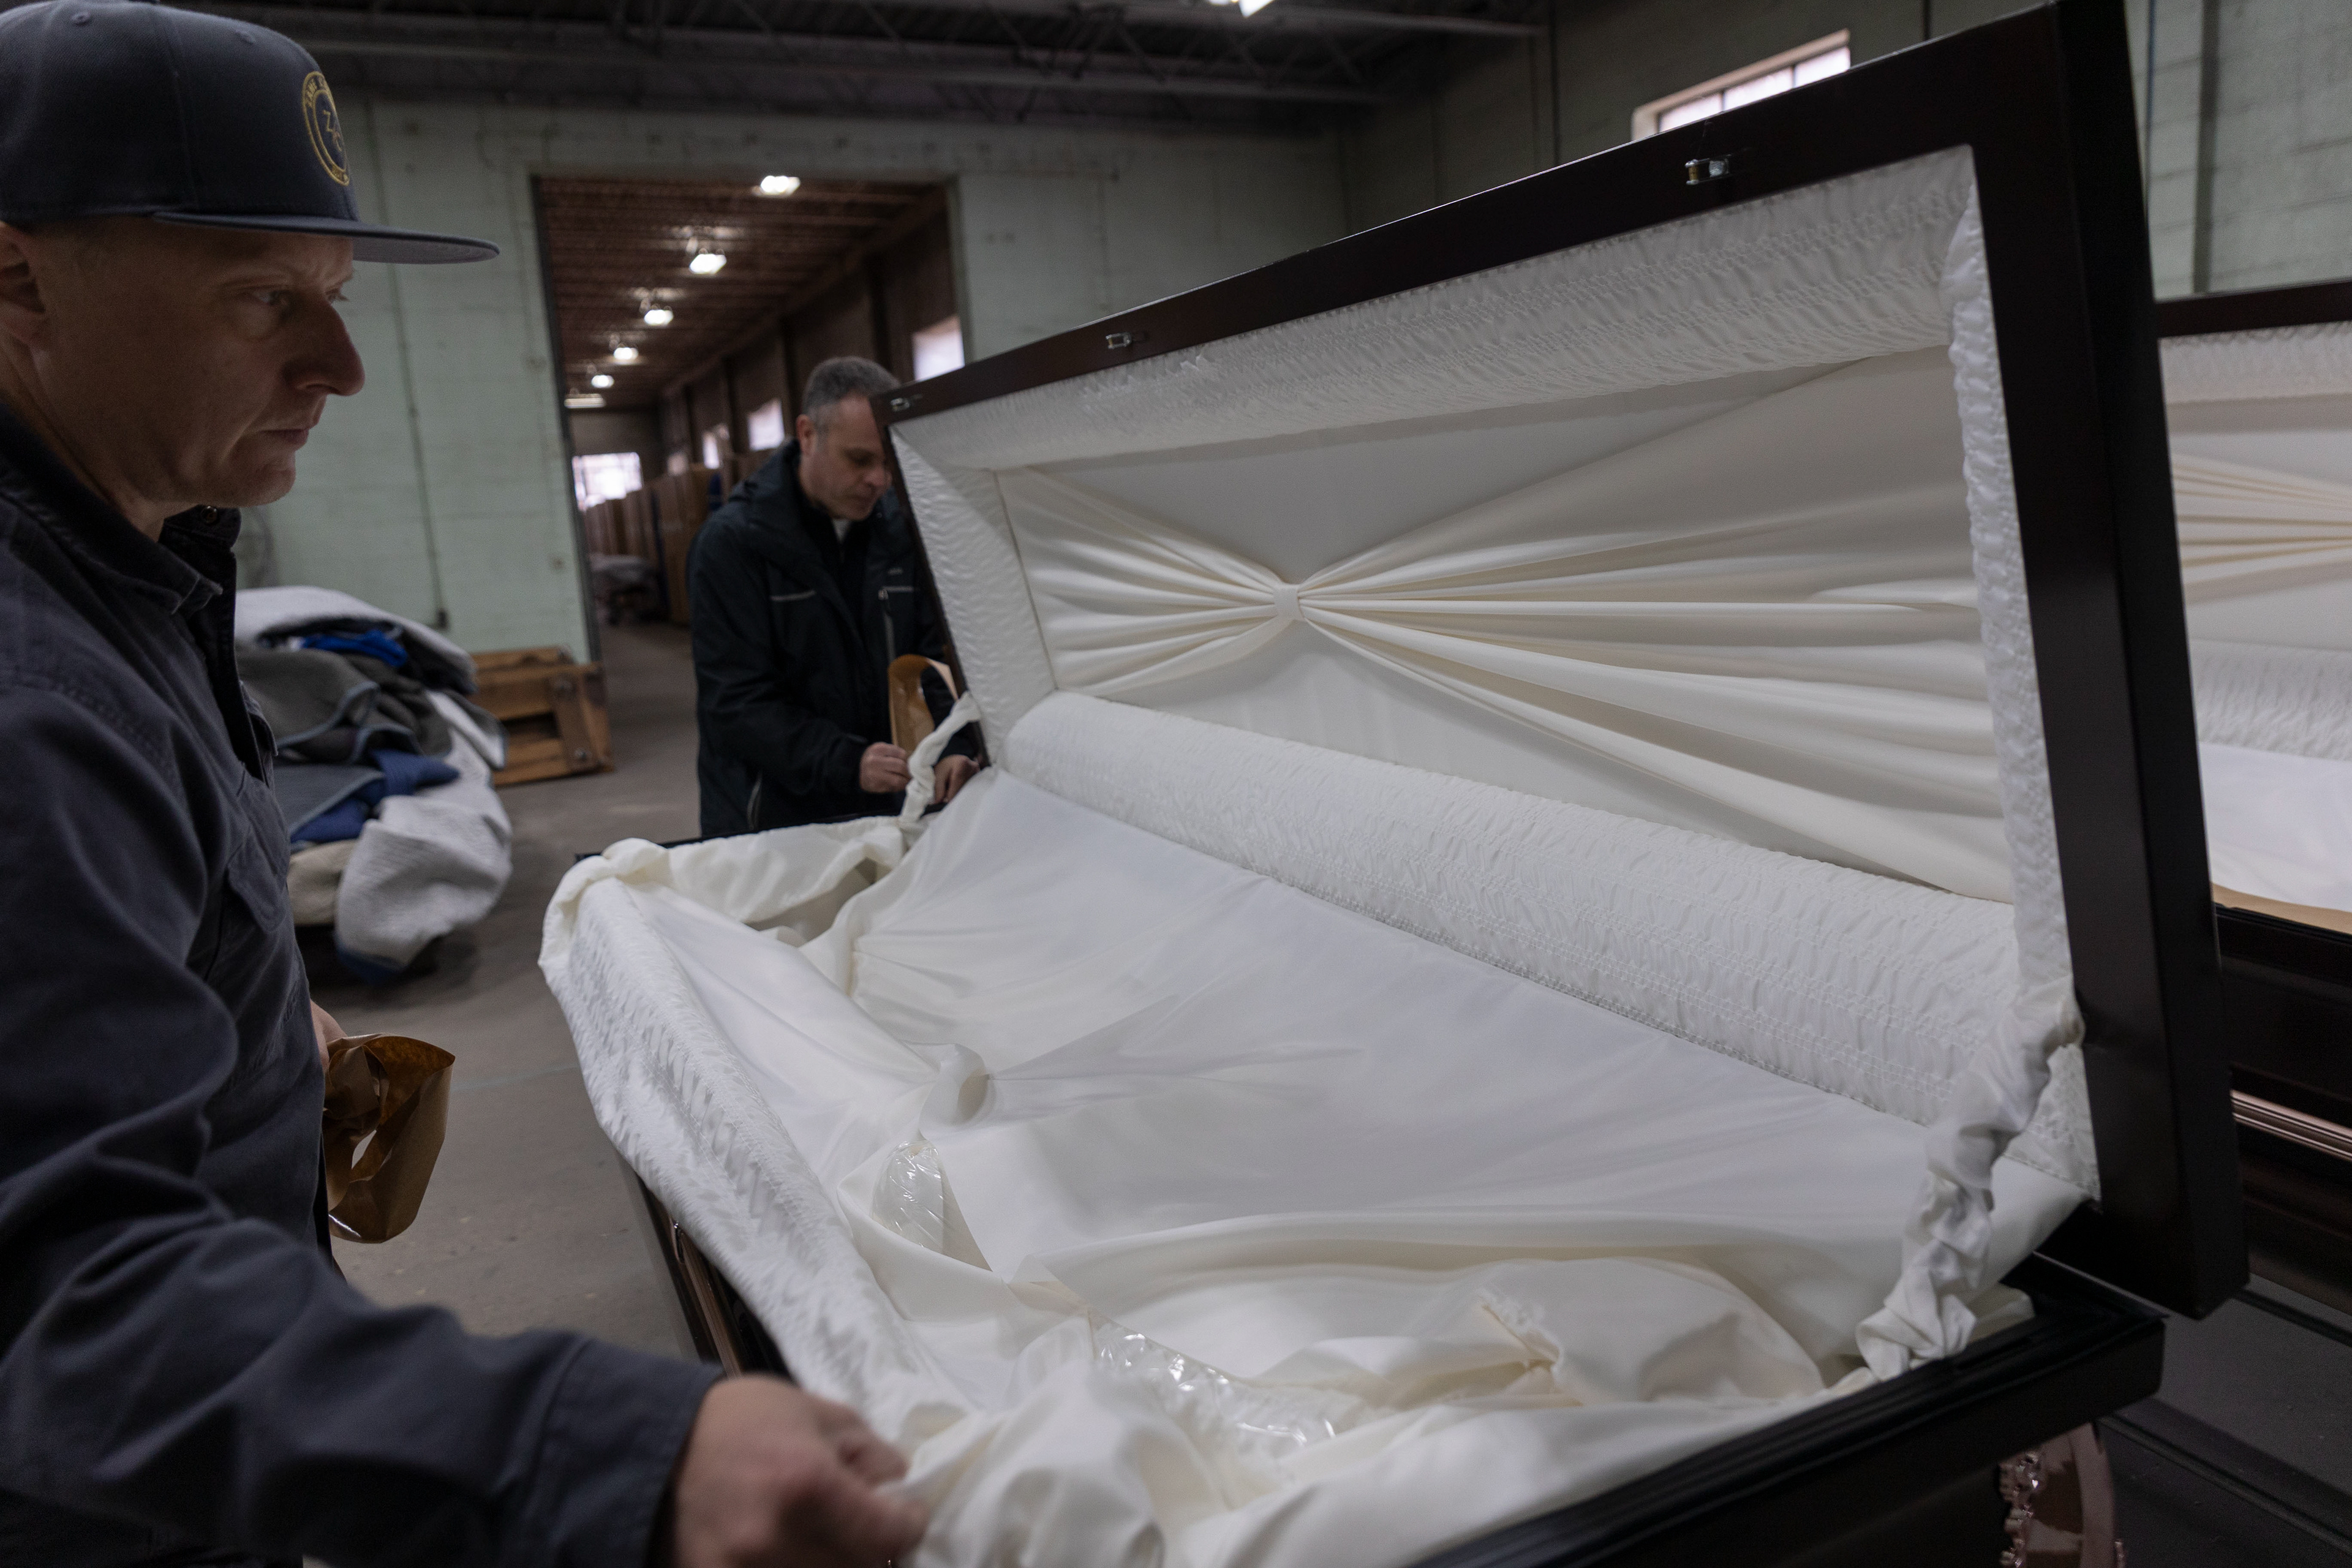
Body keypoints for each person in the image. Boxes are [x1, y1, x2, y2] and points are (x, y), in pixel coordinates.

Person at [0, 5, 926, 1565]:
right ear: (17, 277)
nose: (341, 364)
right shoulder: (34, 689)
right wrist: (614, 1446)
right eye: (260, 299)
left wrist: (229, 1003)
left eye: (340, 298)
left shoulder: (139, 570)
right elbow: (65, 1306)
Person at [689, 358, 979, 837]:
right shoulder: (734, 546)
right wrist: (846, 761)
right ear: (807, 435)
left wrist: (951, 745)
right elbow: (736, 702)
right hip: (772, 816)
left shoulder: (896, 535)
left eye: (888, 461)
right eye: (860, 459)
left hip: (882, 804)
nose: (879, 480)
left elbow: (924, 663)